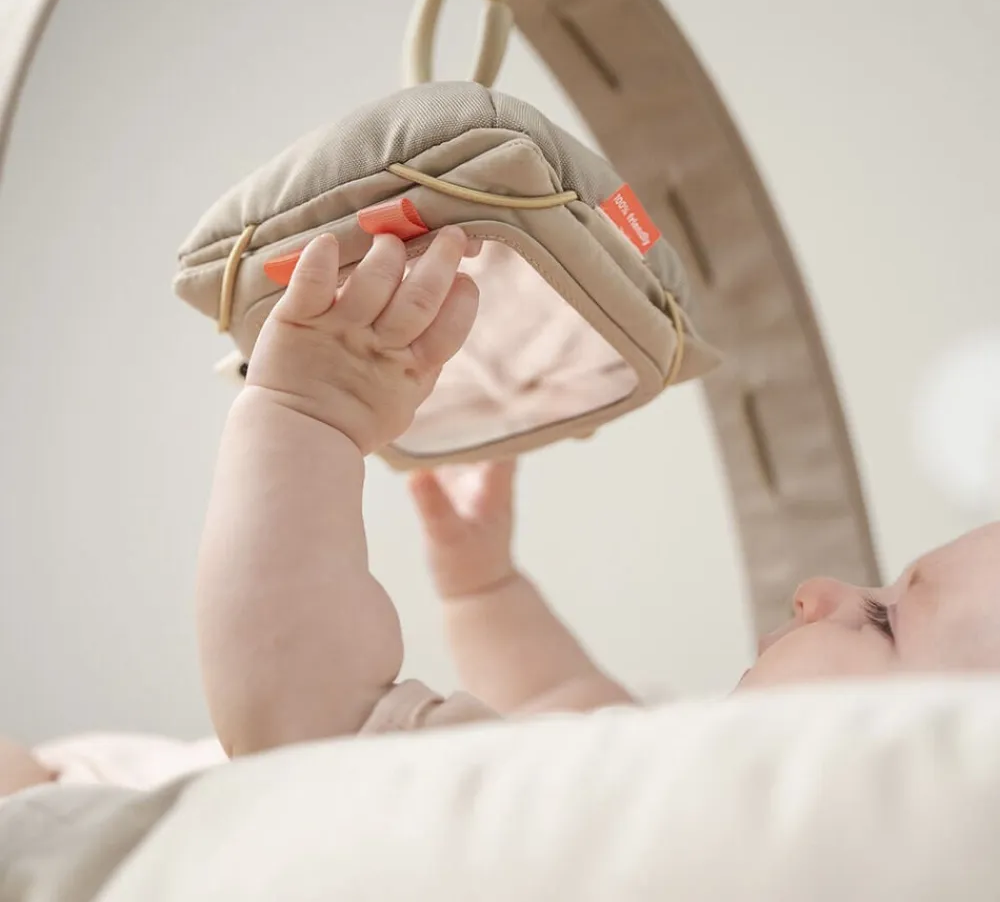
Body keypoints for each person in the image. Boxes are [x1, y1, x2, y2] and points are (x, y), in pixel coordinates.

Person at [3, 226, 1000, 791]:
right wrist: (485, 586)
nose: (818, 589)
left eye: (882, 620)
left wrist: (309, 416)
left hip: (100, 811)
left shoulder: (628, 829)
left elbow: (312, 728)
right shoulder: (653, 774)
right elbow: (559, 694)